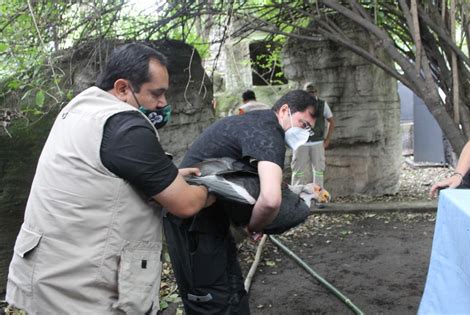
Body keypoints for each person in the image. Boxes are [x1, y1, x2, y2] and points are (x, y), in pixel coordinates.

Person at [5, 43, 214, 314]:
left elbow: (102, 175)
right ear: (123, 88)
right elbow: (185, 204)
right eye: (156, 93)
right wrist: (212, 188)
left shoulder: (77, 110)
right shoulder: (124, 125)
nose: (163, 103)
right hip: (83, 292)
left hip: (46, 277)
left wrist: (168, 178)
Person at [164, 90, 319, 314]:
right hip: (194, 222)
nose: (303, 133)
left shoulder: (253, 122)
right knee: (215, 301)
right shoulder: (268, 132)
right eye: (303, 124)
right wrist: (252, 228)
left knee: (230, 294)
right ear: (285, 110)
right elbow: (270, 200)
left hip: (205, 218)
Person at [291, 82, 335, 187]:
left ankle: (318, 198)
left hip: (318, 142)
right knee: (297, 171)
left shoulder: (322, 104)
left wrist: (327, 139)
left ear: (316, 92)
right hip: (300, 143)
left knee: (319, 171)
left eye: (312, 92)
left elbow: (331, 121)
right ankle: (296, 197)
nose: (310, 94)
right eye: (308, 92)